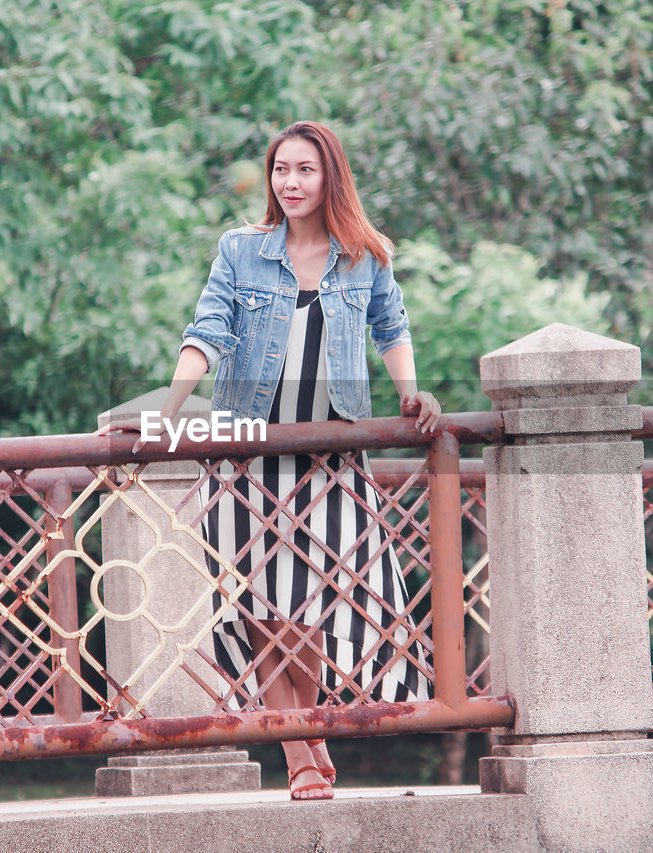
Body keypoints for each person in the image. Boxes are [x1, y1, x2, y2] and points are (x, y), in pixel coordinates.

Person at [115, 121, 440, 801]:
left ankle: (306, 727)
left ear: (331, 179)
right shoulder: (241, 252)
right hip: (247, 455)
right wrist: (172, 406)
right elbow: (206, 331)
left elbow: (393, 327)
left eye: (304, 171)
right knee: (259, 606)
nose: (289, 183)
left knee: (313, 605)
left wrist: (412, 395)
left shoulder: (364, 256)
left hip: (329, 457)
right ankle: (300, 749)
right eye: (280, 170)